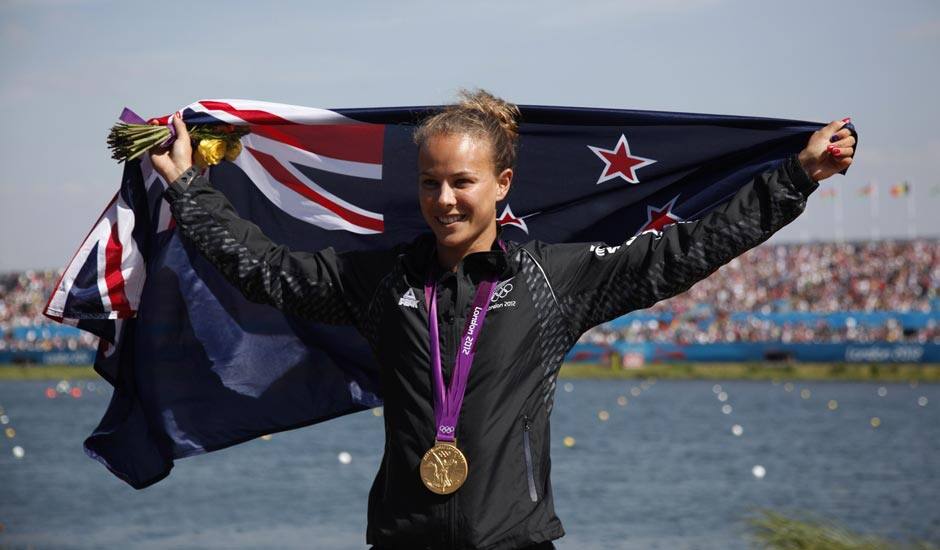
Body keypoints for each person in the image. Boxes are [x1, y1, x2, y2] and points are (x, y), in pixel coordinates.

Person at [149, 90, 854, 550]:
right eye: (431, 183)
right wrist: (185, 186)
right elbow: (266, 268)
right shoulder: (379, 280)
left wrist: (795, 178)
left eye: (462, 182)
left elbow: (686, 250)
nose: (445, 199)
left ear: (501, 185)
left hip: (516, 541)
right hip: (402, 539)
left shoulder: (557, 280)